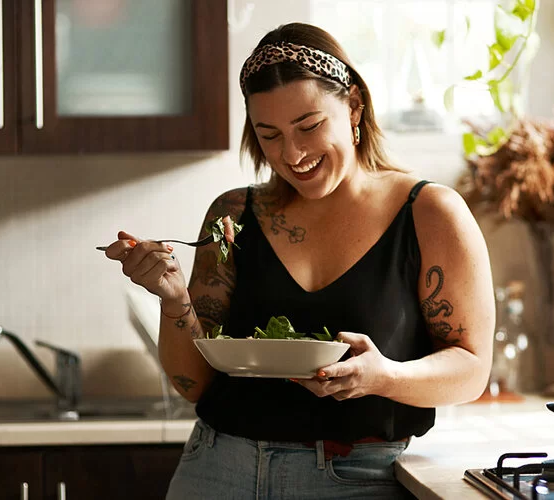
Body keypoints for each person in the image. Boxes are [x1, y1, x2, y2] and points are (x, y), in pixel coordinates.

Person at [103, 22, 495, 500]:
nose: (292, 154)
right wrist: (173, 300)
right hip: (216, 469)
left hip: (358, 480)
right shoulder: (233, 215)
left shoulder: (429, 214)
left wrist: (383, 376)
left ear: (354, 105)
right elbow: (193, 384)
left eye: (309, 126)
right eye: (269, 135)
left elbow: (472, 370)